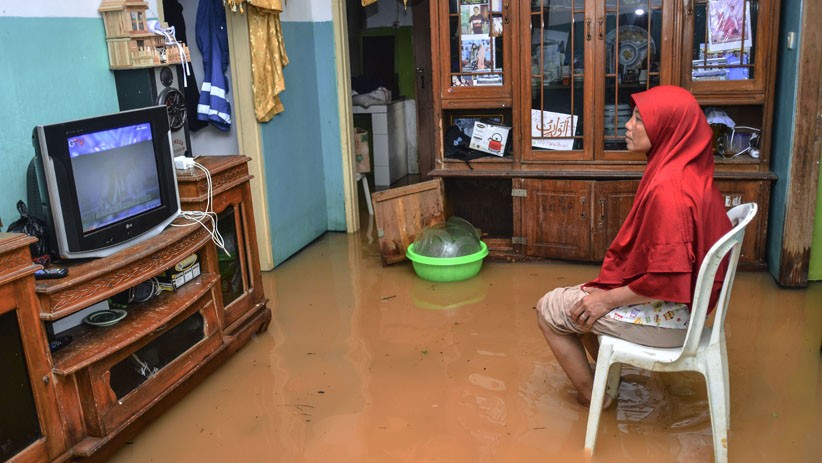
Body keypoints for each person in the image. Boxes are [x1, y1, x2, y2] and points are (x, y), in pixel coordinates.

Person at [535, 85, 732, 408]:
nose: (628, 125)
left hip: (674, 320)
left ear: (667, 128)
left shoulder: (670, 190)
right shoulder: (688, 170)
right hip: (687, 310)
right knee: (582, 299)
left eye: (640, 120)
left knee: (549, 308)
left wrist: (607, 300)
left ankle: (594, 398)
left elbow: (668, 279)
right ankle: (609, 379)